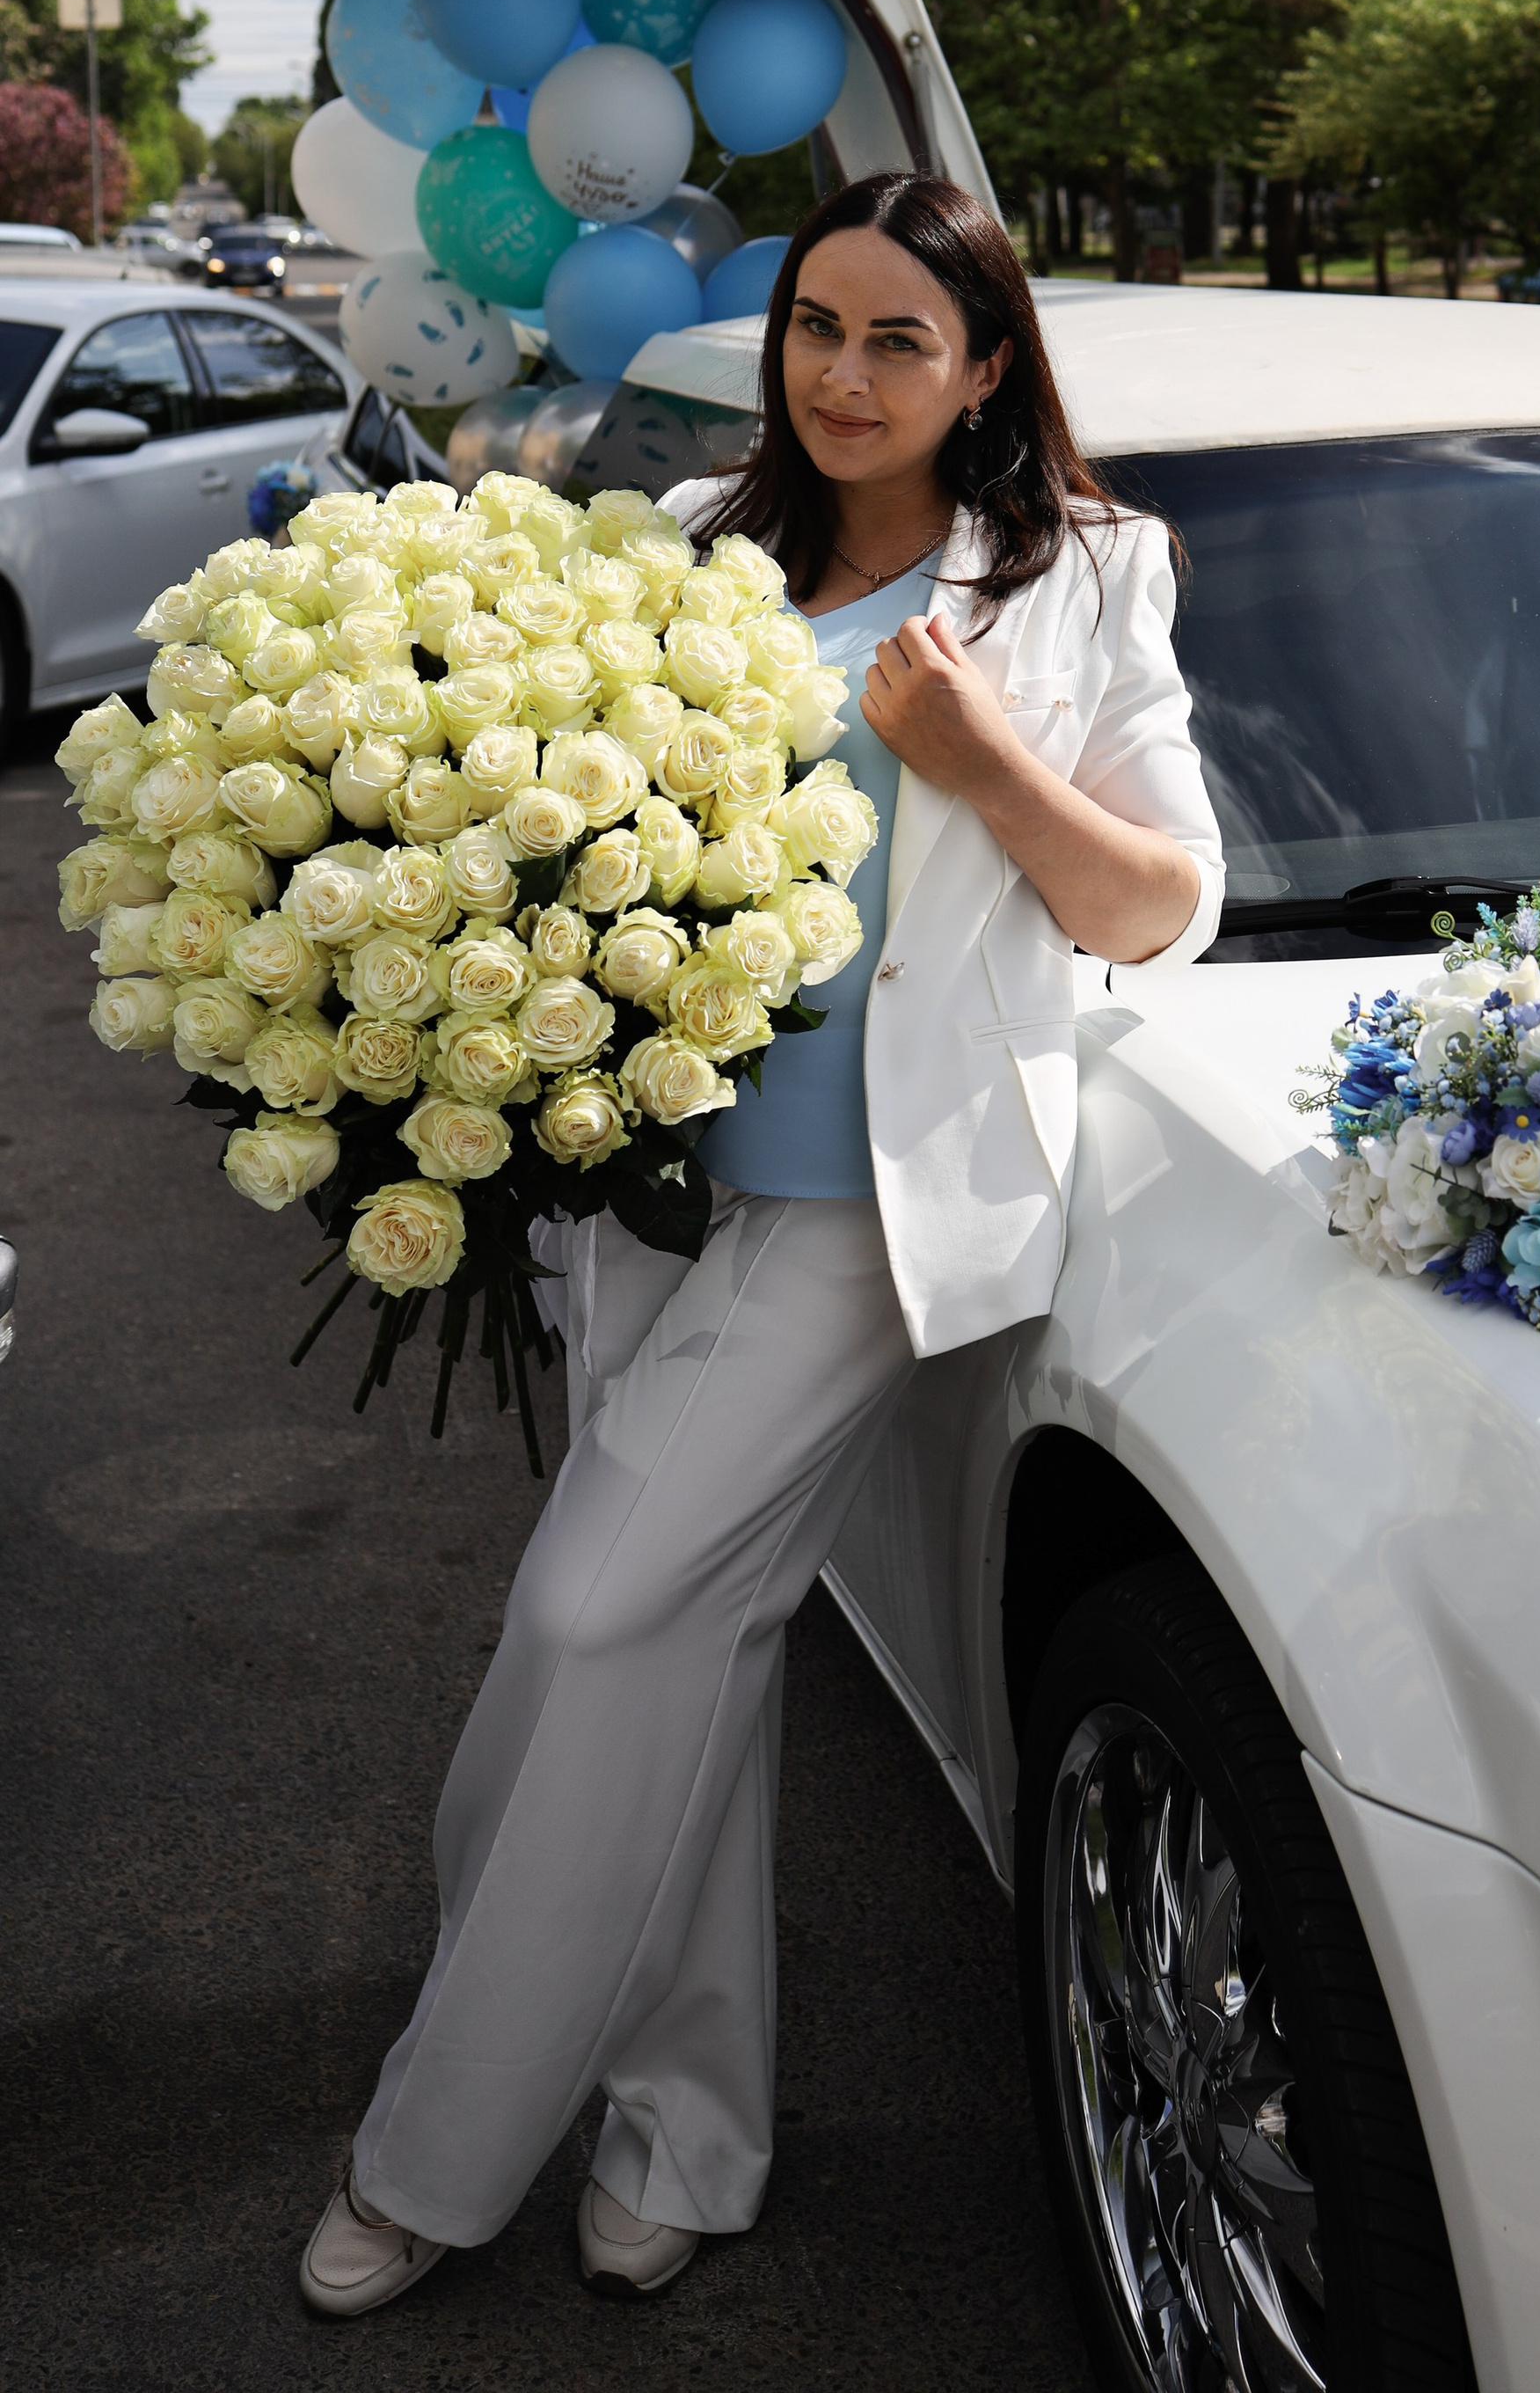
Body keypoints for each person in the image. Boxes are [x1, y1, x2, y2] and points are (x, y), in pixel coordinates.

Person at [300, 173, 1223, 2316]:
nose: (845, 371)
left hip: (862, 1218)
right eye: (819, 323)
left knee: (595, 1610)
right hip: (639, 1185)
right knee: (678, 1655)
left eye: (902, 338)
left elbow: (1159, 905)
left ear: (986, 366)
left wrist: (974, 751)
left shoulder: (1083, 578)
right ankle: (681, 2136)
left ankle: (430, 2156)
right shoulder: (702, 544)